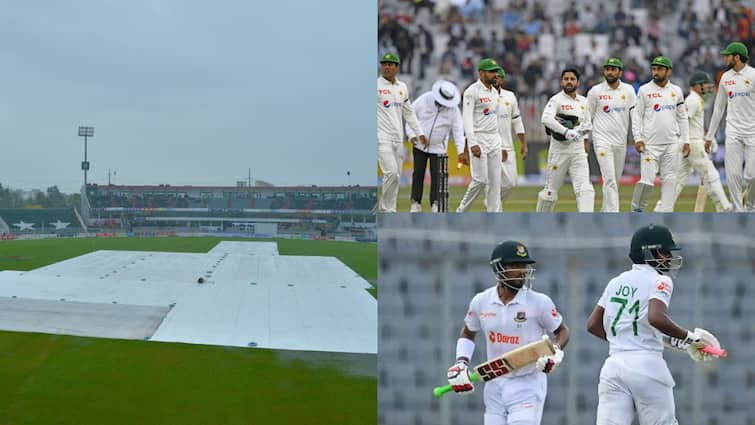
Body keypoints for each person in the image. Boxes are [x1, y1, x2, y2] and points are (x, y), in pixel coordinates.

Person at [587, 223, 721, 425]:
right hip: (647, 365)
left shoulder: (616, 281)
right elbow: (656, 318)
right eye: (667, 252)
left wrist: (627, 340)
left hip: (613, 366)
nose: (670, 258)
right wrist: (690, 338)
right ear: (655, 253)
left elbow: (593, 325)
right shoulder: (661, 280)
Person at [447, 241, 570, 425]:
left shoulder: (539, 302)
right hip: (494, 385)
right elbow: (468, 332)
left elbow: (562, 331)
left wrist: (555, 350)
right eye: (514, 265)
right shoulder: (481, 301)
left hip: (528, 384)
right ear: (498, 268)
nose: (522, 270)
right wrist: (461, 362)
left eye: (524, 265)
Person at [654, 71, 733, 211]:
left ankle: (661, 208)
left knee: (678, 180)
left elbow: (693, 124)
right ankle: (725, 207)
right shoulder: (692, 100)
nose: (708, 87)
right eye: (705, 84)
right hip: (692, 144)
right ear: (696, 86)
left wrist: (707, 137)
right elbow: (682, 121)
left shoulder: (697, 100)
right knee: (711, 174)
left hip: (690, 141)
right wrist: (687, 142)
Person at [629, 56, 689, 212]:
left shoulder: (676, 91)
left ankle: (667, 214)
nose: (655, 72)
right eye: (654, 69)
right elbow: (637, 116)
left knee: (670, 180)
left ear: (668, 71)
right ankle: (637, 210)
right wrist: (638, 138)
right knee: (647, 182)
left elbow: (682, 117)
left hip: (671, 143)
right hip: (650, 145)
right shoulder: (644, 90)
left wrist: (686, 140)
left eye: (659, 69)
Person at [705, 41, 755, 211]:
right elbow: (718, 109)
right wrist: (709, 137)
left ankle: (750, 206)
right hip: (733, 132)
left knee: (752, 176)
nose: (725, 58)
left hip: (753, 132)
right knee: (733, 175)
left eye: (728, 55)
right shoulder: (725, 78)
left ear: (737, 57)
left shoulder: (753, 75)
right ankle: (738, 212)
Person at [536, 68, 594, 212]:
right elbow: (546, 118)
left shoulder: (584, 102)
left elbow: (587, 124)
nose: (569, 81)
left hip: (578, 151)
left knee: (585, 189)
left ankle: (586, 222)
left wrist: (583, 139)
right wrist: (566, 131)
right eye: (566, 79)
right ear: (561, 82)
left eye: (572, 79)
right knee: (550, 193)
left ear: (578, 82)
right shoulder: (556, 100)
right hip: (559, 151)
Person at [377, 52, 426, 212]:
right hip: (381, 137)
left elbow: (408, 112)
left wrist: (419, 133)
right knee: (390, 172)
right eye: (384, 64)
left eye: (390, 64)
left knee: (396, 177)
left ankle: (390, 208)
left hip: (398, 139)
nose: (386, 67)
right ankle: (385, 208)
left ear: (397, 67)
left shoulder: (402, 88)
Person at [405, 80, 465, 212]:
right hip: (419, 145)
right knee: (418, 173)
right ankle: (415, 203)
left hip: (439, 148)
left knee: (437, 176)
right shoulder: (424, 99)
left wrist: (461, 152)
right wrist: (411, 135)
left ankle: (436, 204)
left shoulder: (454, 111)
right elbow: (410, 116)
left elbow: (459, 132)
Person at [586, 58, 636, 212]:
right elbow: (587, 117)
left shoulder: (628, 90)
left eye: (614, 69)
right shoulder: (595, 91)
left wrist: (639, 137)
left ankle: (604, 213)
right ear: (604, 71)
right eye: (608, 69)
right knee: (609, 180)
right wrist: (585, 139)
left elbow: (635, 115)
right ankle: (614, 216)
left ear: (620, 72)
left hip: (620, 142)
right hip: (602, 140)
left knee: (615, 180)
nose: (610, 72)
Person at [456, 58, 503, 212]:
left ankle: (493, 213)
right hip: (479, 138)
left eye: (496, 71)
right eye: (491, 72)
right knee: (480, 180)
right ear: (482, 73)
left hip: (494, 138)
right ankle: (461, 210)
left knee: (495, 182)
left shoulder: (495, 92)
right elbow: (467, 118)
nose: (495, 74)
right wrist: (472, 143)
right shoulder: (472, 91)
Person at [483, 67, 528, 211]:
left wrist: (523, 143)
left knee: (511, 183)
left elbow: (517, 121)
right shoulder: (482, 97)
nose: (495, 79)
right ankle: (494, 209)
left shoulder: (510, 97)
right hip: (490, 146)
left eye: (498, 77)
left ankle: (491, 200)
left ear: (502, 80)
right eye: (493, 76)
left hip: (508, 147)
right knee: (494, 181)